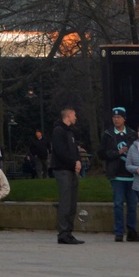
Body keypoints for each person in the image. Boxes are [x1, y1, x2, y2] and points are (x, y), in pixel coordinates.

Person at [97, 106, 139, 242]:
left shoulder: (132, 134)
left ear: (124, 119)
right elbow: (101, 153)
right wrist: (117, 153)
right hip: (116, 174)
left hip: (131, 174)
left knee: (132, 204)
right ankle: (119, 232)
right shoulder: (108, 134)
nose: (116, 120)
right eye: (114, 117)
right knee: (118, 203)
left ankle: (132, 231)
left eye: (119, 117)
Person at [49, 105, 84, 246]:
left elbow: (74, 150)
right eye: (74, 115)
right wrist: (72, 163)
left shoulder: (70, 132)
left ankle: (69, 232)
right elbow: (61, 151)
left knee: (72, 202)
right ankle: (63, 233)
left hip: (71, 169)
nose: (76, 117)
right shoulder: (58, 131)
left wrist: (78, 161)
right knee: (65, 202)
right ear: (68, 116)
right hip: (62, 169)